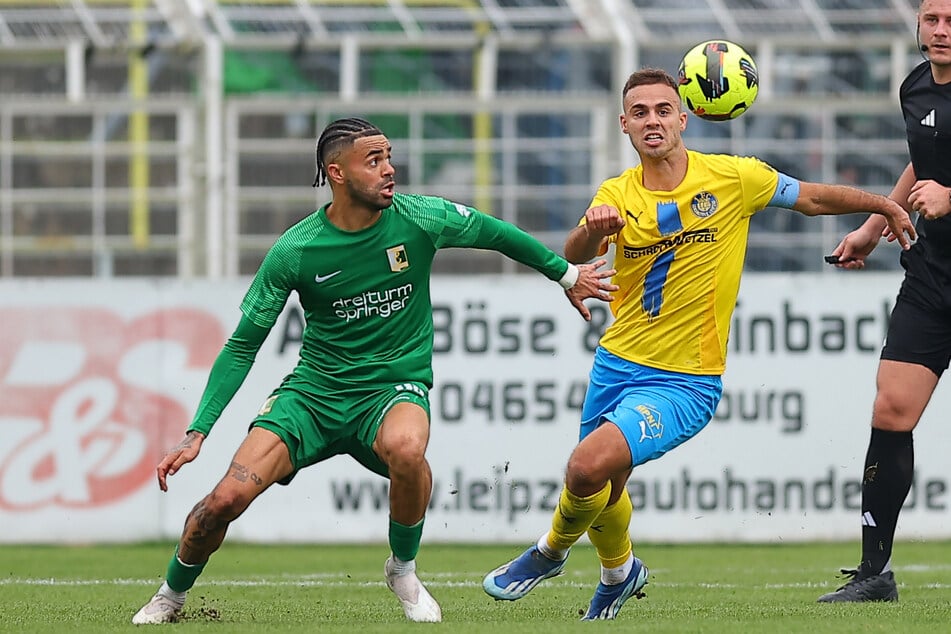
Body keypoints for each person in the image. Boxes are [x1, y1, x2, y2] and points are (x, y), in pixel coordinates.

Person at [131, 116, 619, 625]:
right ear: (336, 173)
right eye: (375, 160)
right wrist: (197, 431)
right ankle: (171, 595)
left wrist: (566, 274)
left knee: (409, 451)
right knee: (224, 501)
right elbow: (242, 347)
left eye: (389, 157)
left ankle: (402, 568)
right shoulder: (296, 250)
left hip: (390, 389)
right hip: (313, 397)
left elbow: (496, 234)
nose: (390, 170)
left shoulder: (421, 218)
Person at [481, 68, 917, 620]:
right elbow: (576, 246)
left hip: (686, 379)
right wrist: (593, 229)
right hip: (616, 362)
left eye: (663, 110)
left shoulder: (733, 179)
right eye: (640, 113)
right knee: (606, 483)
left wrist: (880, 204)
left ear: (683, 118)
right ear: (624, 125)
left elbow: (809, 198)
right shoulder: (617, 192)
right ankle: (619, 573)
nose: (653, 121)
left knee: (586, 467)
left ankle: (548, 553)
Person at [817, 0, 951, 603]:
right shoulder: (916, 86)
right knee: (891, 410)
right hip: (931, 277)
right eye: (933, 19)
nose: (942, 31)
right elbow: (924, 161)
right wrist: (878, 221)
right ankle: (875, 574)